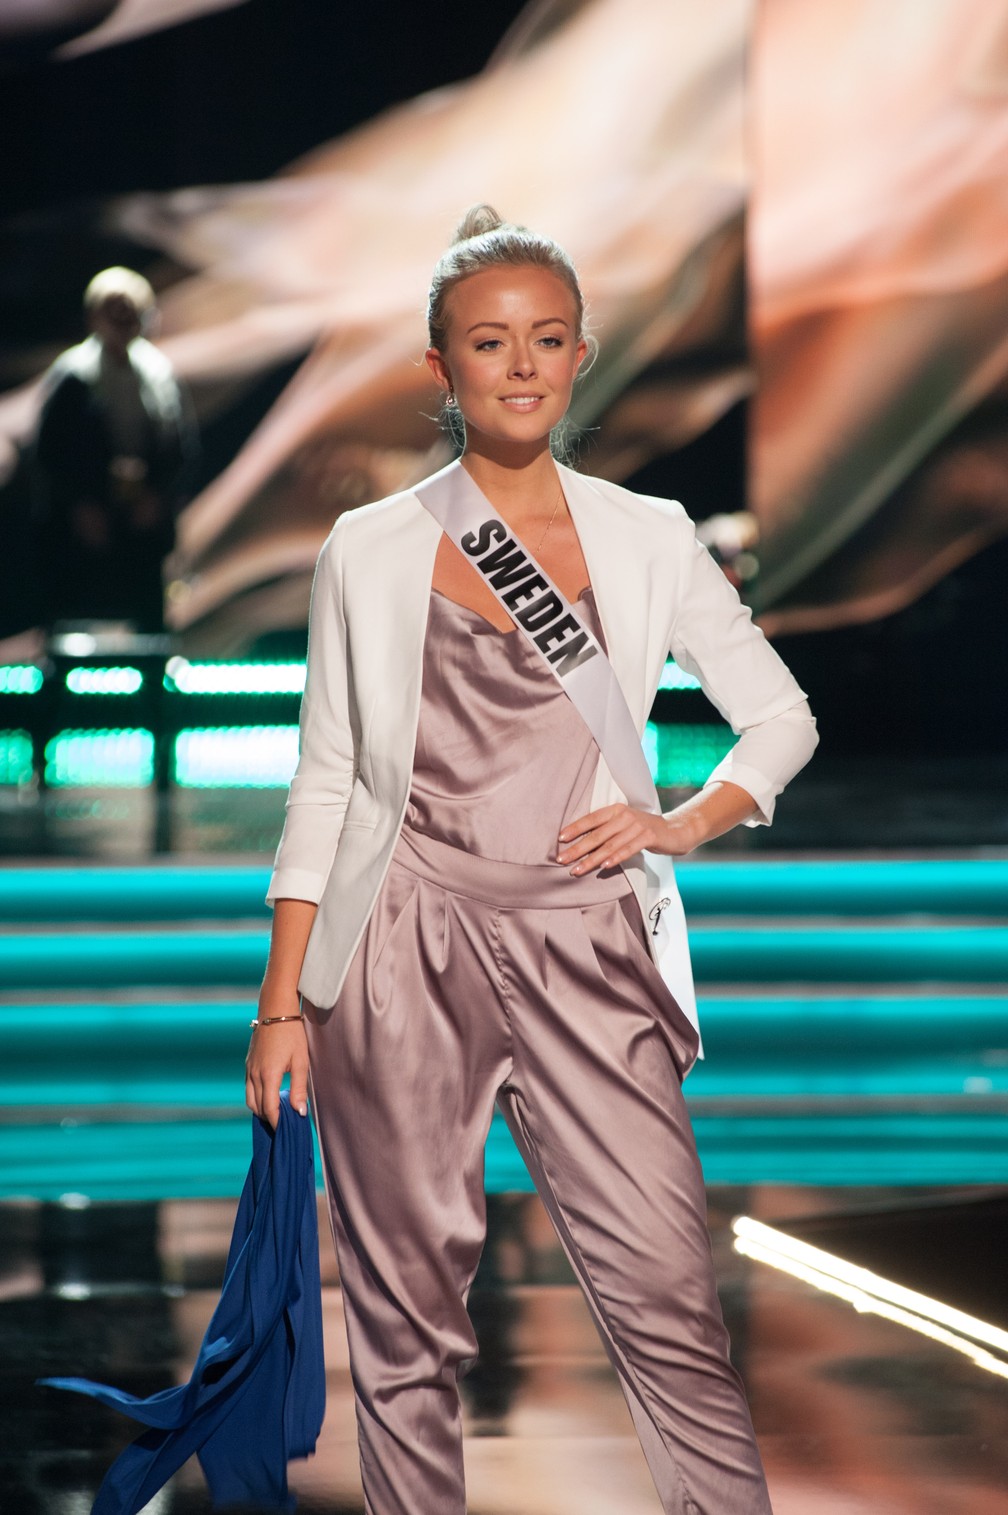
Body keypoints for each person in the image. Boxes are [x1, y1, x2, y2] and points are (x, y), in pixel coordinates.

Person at [246, 205, 818, 1514]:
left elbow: (782, 715)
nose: (520, 365)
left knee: (668, 1294)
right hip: (399, 942)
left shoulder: (648, 531)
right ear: (438, 368)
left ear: (579, 359)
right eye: (488, 341)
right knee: (403, 1326)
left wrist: (687, 816)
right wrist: (282, 1001)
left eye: (546, 340)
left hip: (589, 939)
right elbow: (327, 779)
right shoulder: (370, 546)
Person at [31, 266, 196, 632]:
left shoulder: (159, 374)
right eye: (112, 309)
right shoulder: (72, 375)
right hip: (85, 520)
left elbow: (179, 447)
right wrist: (80, 504)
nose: (122, 319)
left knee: (146, 614)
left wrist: (156, 496)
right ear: (94, 315)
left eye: (130, 310)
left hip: (141, 516)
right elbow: (51, 452)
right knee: (75, 614)